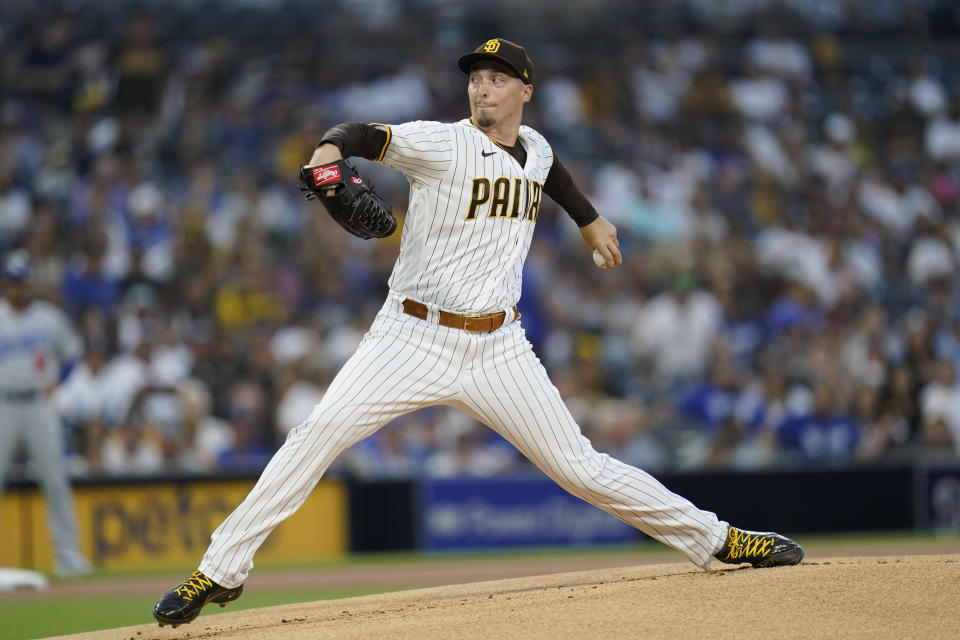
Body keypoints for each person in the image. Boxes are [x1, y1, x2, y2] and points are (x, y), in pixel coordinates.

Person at [153, 38, 803, 627]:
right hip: (410, 337)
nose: (482, 87)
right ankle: (220, 569)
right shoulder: (440, 143)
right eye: (476, 78)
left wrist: (591, 220)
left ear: (525, 90)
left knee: (581, 468)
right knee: (316, 432)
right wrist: (327, 154)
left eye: (496, 78)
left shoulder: (539, 148)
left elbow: (550, 173)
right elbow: (359, 133)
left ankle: (718, 539)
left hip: (498, 348)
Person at [0, 249, 90, 577]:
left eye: (22, 281)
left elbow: (71, 355)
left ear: (30, 283)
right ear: (4, 284)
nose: (17, 288)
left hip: (39, 402)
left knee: (54, 477)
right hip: (4, 404)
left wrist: (59, 384)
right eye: (12, 282)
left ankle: (67, 553)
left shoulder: (48, 318)